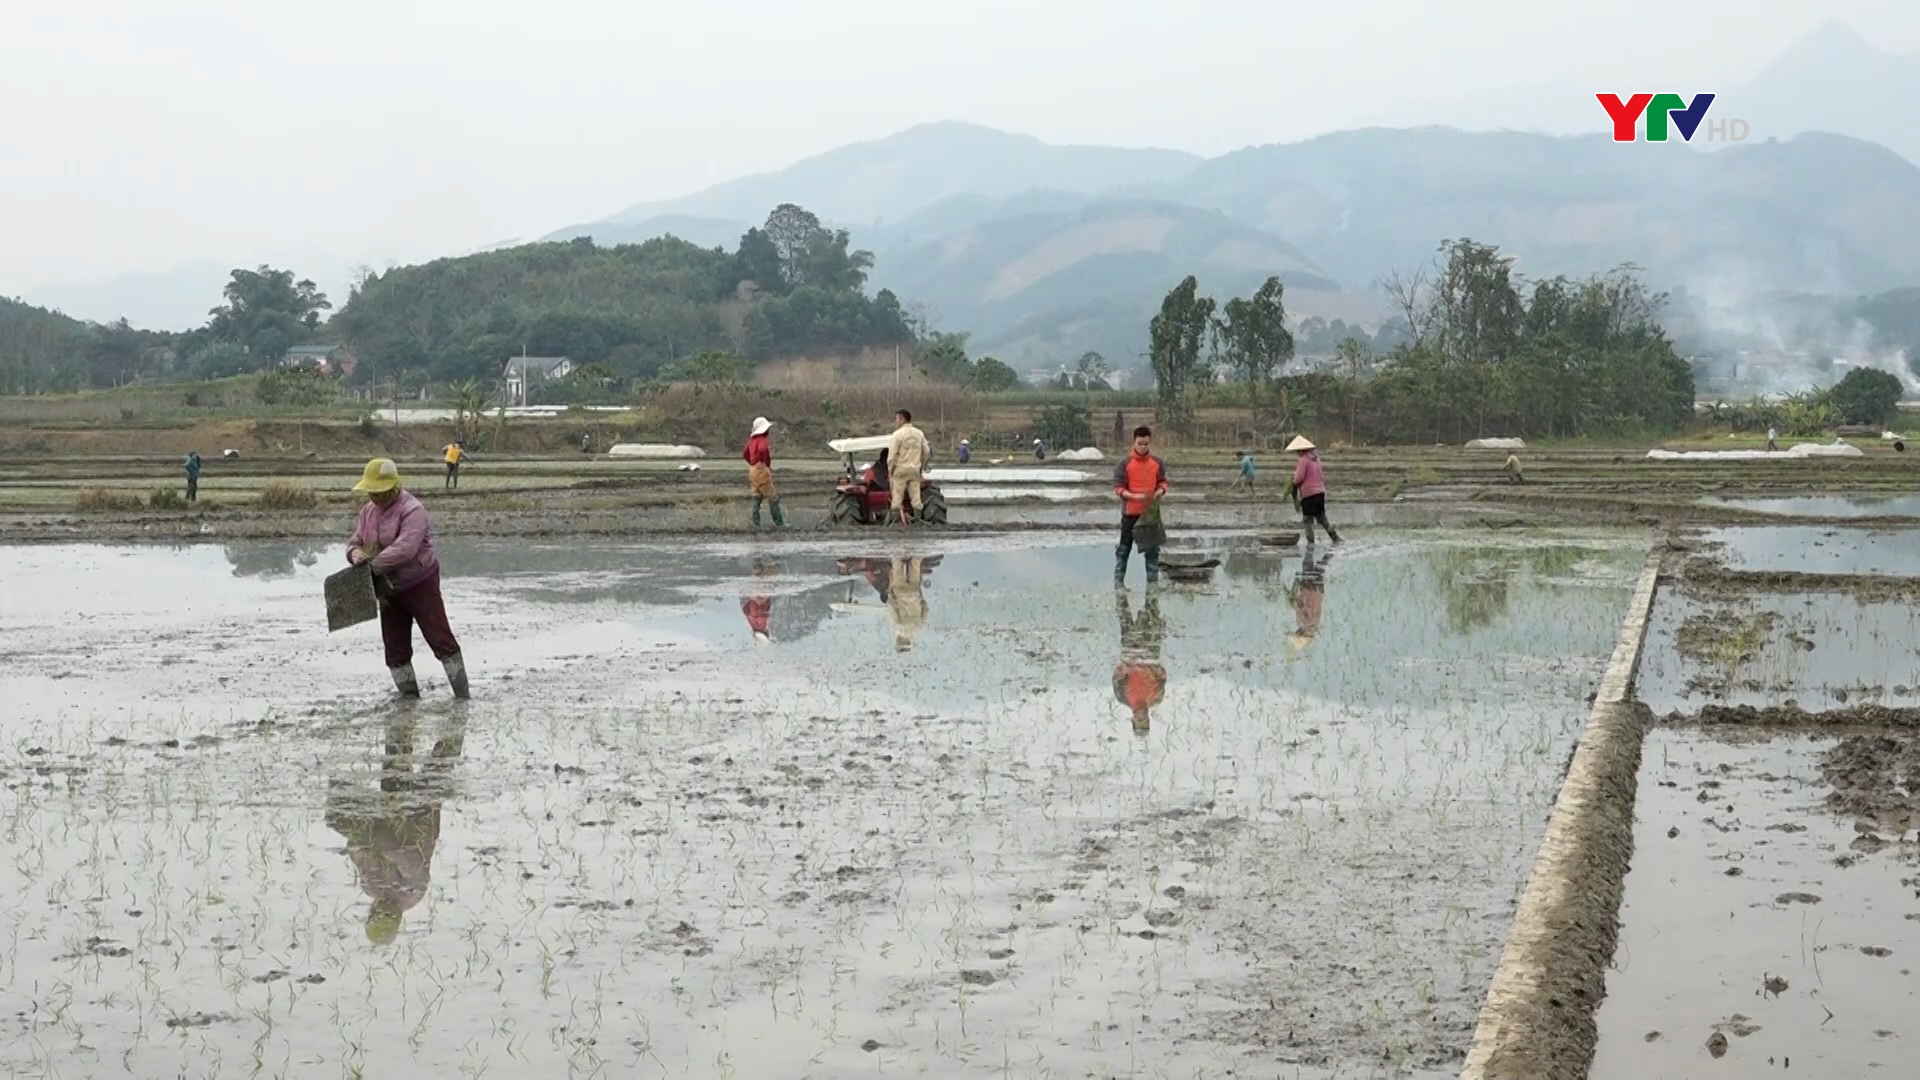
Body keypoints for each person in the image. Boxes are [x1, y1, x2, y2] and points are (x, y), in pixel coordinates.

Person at [325, 710, 464, 947]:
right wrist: (372, 845)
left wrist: (359, 846)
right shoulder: (412, 891)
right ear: (395, 918)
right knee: (439, 764)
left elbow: (361, 858)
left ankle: (402, 716)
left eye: (375, 915)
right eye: (382, 916)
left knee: (394, 767)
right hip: (420, 817)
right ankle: (457, 720)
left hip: (388, 817)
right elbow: (405, 853)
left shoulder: (371, 888)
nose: (379, 911)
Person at [347, 458, 469, 699]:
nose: (375, 497)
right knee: (394, 647)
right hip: (387, 588)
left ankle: (462, 696)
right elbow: (355, 542)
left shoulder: (413, 510)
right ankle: (409, 698)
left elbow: (406, 548)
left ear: (394, 487)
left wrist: (372, 565)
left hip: (419, 582)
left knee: (440, 638)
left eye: (381, 492)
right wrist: (355, 554)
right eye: (371, 492)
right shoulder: (367, 512)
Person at [1113, 425, 1169, 585]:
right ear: (1134, 442)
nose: (1143, 447)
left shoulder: (1157, 463)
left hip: (1150, 515)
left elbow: (1163, 482)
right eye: (1140, 443)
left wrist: (1160, 491)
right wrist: (1133, 496)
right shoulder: (1124, 464)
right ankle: (1118, 583)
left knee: (1152, 552)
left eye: (1146, 444)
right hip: (1131, 513)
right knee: (1124, 549)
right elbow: (1118, 488)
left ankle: (1152, 586)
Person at [1113, 587, 1167, 735]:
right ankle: (1152, 580)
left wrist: (1127, 666)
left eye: (1139, 721)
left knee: (1124, 614)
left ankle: (1119, 581)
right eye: (1145, 721)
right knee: (1152, 610)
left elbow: (1117, 676)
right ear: (1149, 719)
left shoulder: (1122, 697)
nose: (1142, 718)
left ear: (1133, 720)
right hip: (1150, 650)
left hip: (1130, 651)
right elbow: (1162, 675)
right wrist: (1152, 666)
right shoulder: (1157, 697)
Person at [1284, 436, 1341, 546]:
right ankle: (1335, 537)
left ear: (1301, 450)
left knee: (1307, 520)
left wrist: (1293, 482)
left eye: (1297, 451)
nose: (1297, 453)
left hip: (1309, 494)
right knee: (1322, 517)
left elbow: (1299, 478)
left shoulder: (1304, 460)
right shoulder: (1316, 458)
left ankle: (1311, 543)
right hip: (1320, 492)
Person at [887, 409, 931, 526]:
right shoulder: (919, 433)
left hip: (900, 470)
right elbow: (926, 451)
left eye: (897, 419)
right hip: (915, 469)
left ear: (902, 419)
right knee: (916, 498)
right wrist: (922, 466)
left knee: (897, 497)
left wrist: (890, 470)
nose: (895, 422)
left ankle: (896, 523)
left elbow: (892, 455)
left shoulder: (897, 435)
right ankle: (917, 521)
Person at [743, 417, 784, 528]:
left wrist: (752, 464)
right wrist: (763, 462)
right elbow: (762, 450)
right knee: (773, 497)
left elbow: (745, 453)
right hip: (761, 469)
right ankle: (779, 523)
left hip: (752, 470)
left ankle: (755, 523)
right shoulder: (762, 440)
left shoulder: (751, 440)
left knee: (756, 496)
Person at [1286, 549, 1327, 655]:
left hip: (1317, 592)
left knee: (1319, 570)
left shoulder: (1315, 623)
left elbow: (1319, 608)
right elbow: (1299, 606)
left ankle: (1329, 553)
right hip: (1307, 592)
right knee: (1308, 565)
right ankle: (1315, 550)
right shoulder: (1301, 622)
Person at [887, 556, 926, 651]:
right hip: (900, 595)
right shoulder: (898, 628)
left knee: (915, 571)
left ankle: (917, 556)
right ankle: (897, 556)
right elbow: (893, 610)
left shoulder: (918, 629)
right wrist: (891, 596)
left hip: (915, 595)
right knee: (897, 572)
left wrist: (920, 598)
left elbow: (925, 610)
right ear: (899, 642)